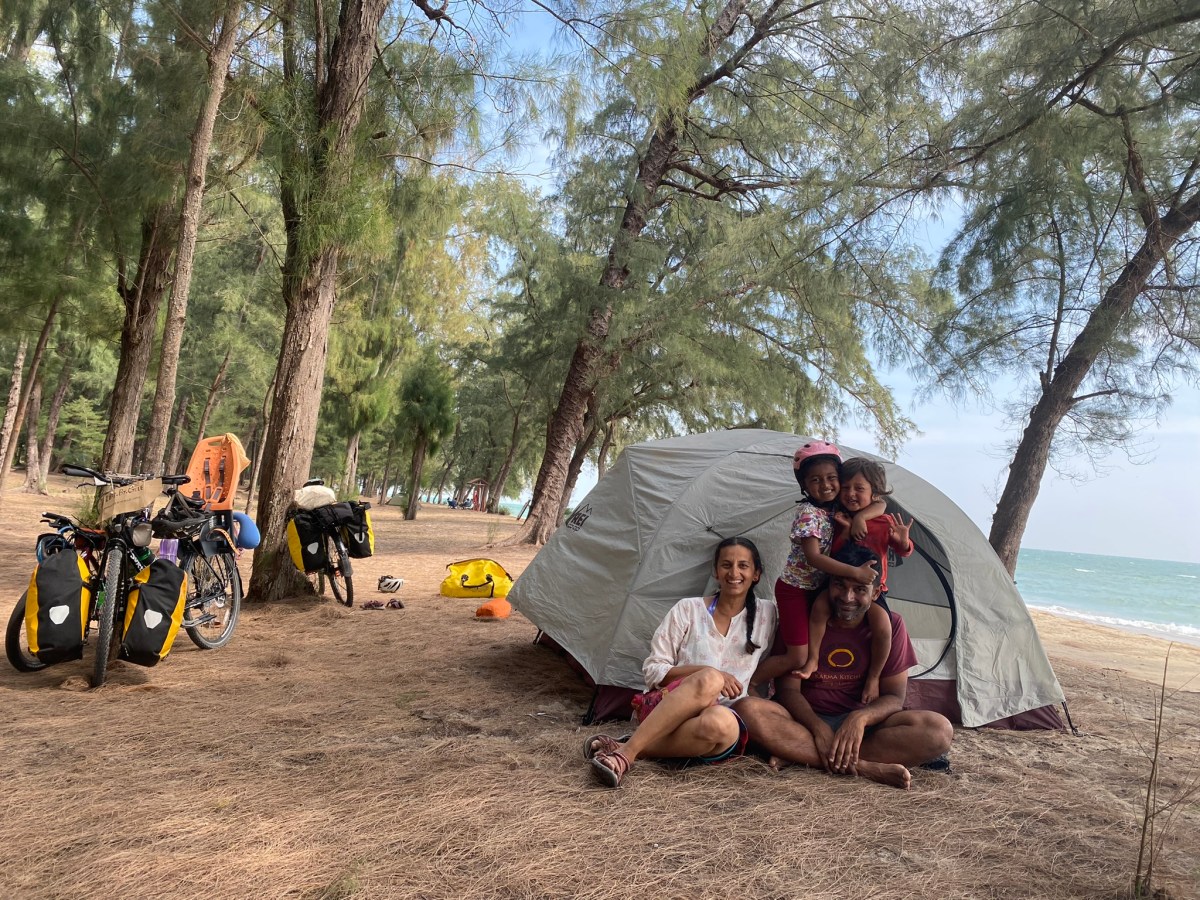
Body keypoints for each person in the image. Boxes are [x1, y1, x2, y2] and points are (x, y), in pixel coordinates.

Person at [736, 545, 953, 790]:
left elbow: (894, 696)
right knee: (747, 709)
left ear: (875, 592)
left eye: (859, 589)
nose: (847, 597)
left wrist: (860, 718)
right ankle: (863, 767)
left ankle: (799, 755)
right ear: (829, 584)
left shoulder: (891, 625)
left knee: (938, 730)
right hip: (803, 722)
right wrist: (817, 727)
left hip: (865, 731)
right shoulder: (803, 620)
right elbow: (788, 691)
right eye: (840, 585)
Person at [584, 536, 779, 788]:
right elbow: (654, 671)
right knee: (710, 678)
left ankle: (629, 744)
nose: (734, 573)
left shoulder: (767, 615)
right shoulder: (689, 610)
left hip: (712, 724)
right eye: (726, 565)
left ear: (756, 574)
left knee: (721, 723)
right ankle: (627, 754)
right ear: (716, 571)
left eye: (743, 566)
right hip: (667, 707)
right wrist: (708, 672)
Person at [751, 441, 883, 689]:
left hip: (818, 587)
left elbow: (881, 503)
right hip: (795, 590)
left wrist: (862, 517)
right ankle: (752, 682)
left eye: (832, 478)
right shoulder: (809, 513)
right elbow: (814, 558)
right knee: (797, 655)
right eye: (816, 480)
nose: (825, 485)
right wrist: (855, 573)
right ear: (804, 485)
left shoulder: (838, 505)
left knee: (817, 640)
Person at [797, 457, 914, 702]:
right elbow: (830, 549)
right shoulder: (835, 517)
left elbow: (900, 547)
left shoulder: (883, 520)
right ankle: (813, 659)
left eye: (859, 489)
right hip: (837, 586)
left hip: (872, 590)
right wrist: (849, 527)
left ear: (874, 492)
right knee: (819, 608)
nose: (851, 493)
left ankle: (873, 677)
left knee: (883, 625)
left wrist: (903, 541)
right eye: (846, 487)